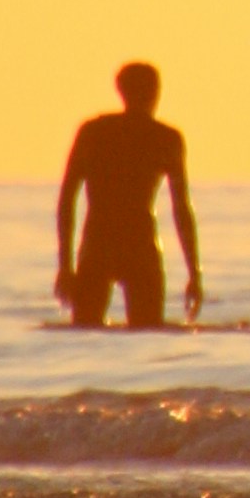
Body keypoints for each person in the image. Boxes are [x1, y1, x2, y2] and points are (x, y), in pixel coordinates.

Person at [55, 61, 201, 330]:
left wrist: (65, 266)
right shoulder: (165, 138)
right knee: (147, 333)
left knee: (85, 333)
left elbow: (67, 200)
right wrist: (194, 273)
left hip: (102, 245)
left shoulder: (94, 132)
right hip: (137, 247)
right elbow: (181, 209)